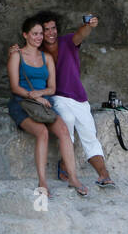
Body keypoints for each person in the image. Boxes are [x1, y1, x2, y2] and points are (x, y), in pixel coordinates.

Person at [7, 15, 88, 197]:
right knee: (42, 132)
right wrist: (32, 95)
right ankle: (42, 181)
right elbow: (14, 87)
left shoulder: (47, 58)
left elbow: (52, 87)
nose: (38, 37)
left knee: (64, 131)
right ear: (25, 35)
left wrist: (41, 94)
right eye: (34, 34)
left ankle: (73, 177)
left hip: (43, 102)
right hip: (23, 102)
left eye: (40, 34)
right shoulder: (16, 55)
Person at [42, 12, 116, 188]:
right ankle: (64, 165)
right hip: (56, 96)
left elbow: (80, 34)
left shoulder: (67, 41)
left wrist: (89, 25)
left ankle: (104, 175)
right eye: (46, 30)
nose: (51, 32)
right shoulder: (38, 51)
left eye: (53, 28)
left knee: (90, 136)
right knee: (67, 120)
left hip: (79, 98)